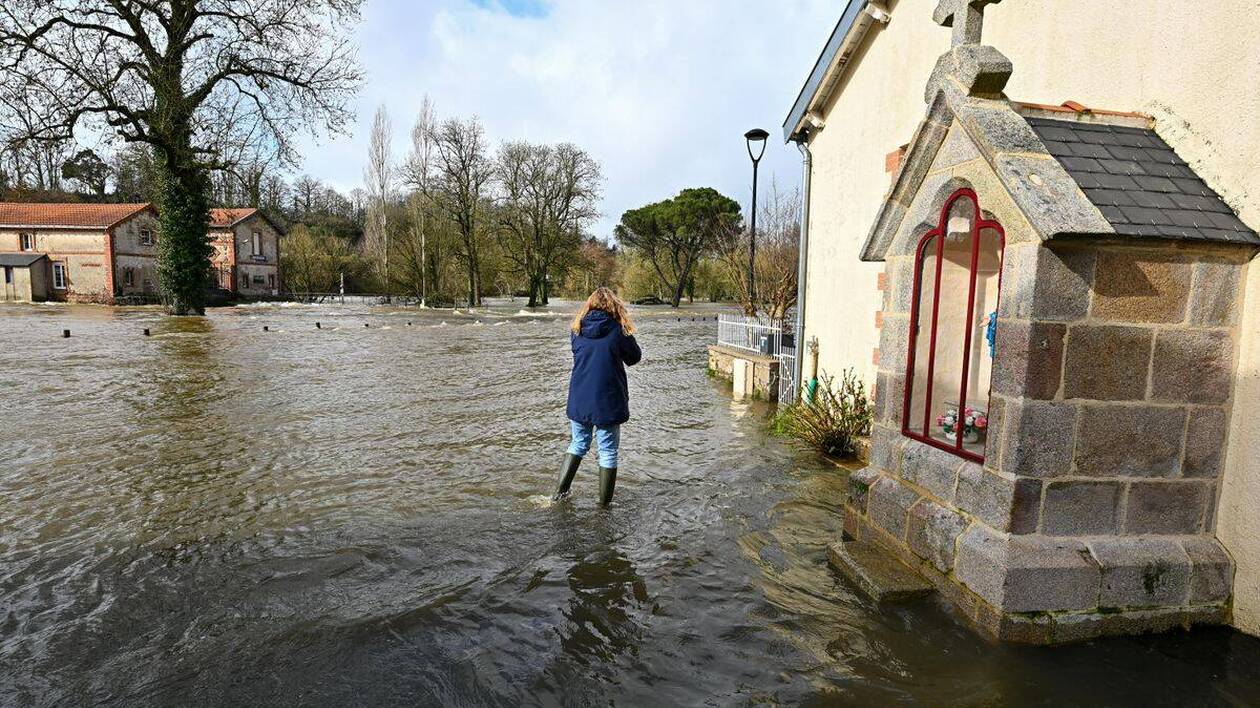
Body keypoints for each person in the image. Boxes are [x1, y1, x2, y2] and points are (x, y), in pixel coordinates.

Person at [554, 287, 641, 506]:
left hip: (580, 398)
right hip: (608, 400)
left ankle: (559, 495)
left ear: (589, 305)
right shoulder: (618, 329)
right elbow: (634, 357)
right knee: (608, 451)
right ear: (614, 305)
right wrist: (625, 330)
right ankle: (604, 507)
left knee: (578, 444)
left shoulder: (576, 329)